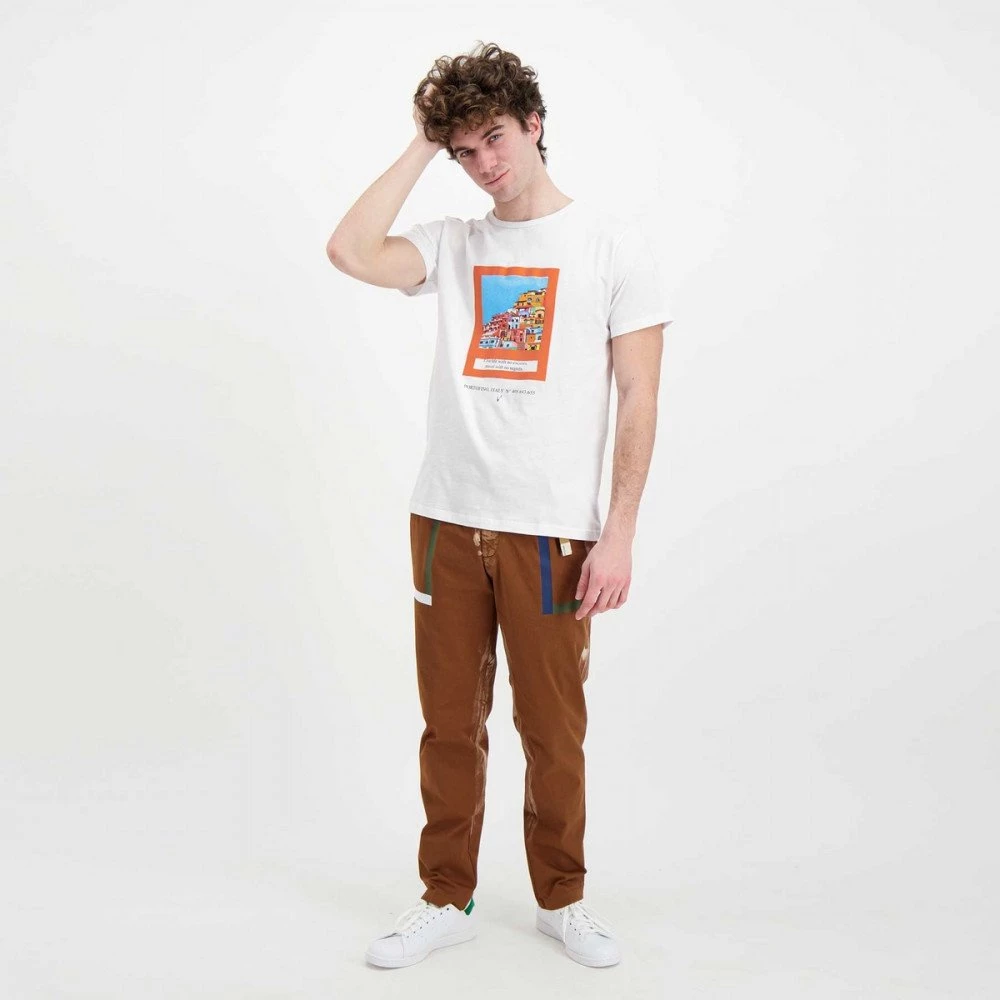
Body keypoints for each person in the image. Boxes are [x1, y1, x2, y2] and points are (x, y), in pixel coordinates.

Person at [326, 41, 672, 969]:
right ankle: (447, 895)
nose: (485, 162)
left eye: (495, 137)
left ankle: (564, 899)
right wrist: (422, 139)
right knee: (449, 724)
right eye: (465, 150)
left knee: (553, 730)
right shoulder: (453, 243)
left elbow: (639, 397)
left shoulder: (612, 245)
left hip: (553, 532)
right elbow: (349, 251)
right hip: (445, 517)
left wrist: (619, 534)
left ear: (534, 123)